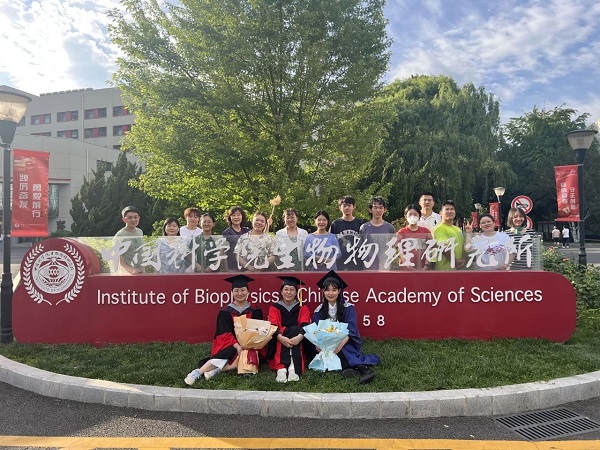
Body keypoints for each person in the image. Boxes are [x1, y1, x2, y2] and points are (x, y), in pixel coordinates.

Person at [184, 275, 263, 385]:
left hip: (249, 345)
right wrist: (237, 346)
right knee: (231, 352)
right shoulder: (225, 312)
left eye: (243, 290)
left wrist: (247, 344)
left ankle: (216, 370)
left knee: (248, 354)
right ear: (232, 292)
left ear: (248, 292)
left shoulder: (256, 310)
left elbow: (258, 330)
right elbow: (224, 333)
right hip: (230, 344)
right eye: (236, 291)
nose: (240, 293)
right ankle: (197, 372)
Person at [312, 270, 379, 383]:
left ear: (339, 291)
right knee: (328, 355)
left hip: (346, 342)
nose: (330, 293)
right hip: (327, 346)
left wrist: (339, 345)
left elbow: (351, 330)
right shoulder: (319, 311)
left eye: (334, 290)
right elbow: (316, 332)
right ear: (323, 291)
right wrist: (318, 345)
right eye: (327, 290)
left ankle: (364, 370)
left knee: (343, 349)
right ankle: (351, 368)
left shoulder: (348, 308)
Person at [267, 276, 312, 383]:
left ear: (296, 292)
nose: (288, 292)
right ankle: (281, 368)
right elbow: (273, 325)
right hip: (279, 339)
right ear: (281, 292)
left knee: (296, 330)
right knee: (283, 331)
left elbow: (305, 324)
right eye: (286, 289)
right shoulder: (274, 307)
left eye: (292, 289)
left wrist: (299, 337)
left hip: (298, 340)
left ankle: (293, 366)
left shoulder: (303, 307)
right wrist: (281, 338)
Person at [359, 196, 396, 270]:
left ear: (385, 210)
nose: (378, 210)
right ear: (370, 210)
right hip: (368, 266)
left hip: (385, 266)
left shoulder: (390, 228)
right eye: (375, 208)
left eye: (381, 207)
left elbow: (393, 248)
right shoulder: (364, 228)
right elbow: (360, 248)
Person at [329, 195, 364, 270]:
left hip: (356, 261)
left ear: (354, 207)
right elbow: (330, 243)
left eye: (349, 205)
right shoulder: (335, 224)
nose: (347, 208)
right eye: (344, 205)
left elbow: (364, 243)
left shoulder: (360, 223)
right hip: (340, 262)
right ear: (340, 207)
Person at [395, 204, 433, 270]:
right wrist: (409, 266)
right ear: (405, 216)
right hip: (406, 270)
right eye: (410, 214)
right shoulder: (401, 232)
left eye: (415, 214)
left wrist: (426, 266)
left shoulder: (425, 231)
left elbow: (429, 249)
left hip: (423, 268)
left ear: (419, 216)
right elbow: (400, 251)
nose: (412, 216)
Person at [433, 200, 464, 270]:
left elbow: (463, 247)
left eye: (452, 209)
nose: (450, 211)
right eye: (446, 209)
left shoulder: (458, 229)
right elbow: (444, 247)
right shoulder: (440, 229)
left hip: (458, 269)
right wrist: (455, 262)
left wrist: (463, 259)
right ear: (440, 213)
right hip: (445, 270)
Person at [114, 205, 144, 274]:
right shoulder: (120, 236)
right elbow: (117, 257)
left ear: (139, 218)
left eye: (135, 217)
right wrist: (131, 270)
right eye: (130, 217)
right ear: (124, 219)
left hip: (140, 270)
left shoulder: (140, 232)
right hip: (127, 273)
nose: (133, 220)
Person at [222, 206, 251, 272]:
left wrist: (267, 225)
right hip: (233, 268)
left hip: (247, 266)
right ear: (230, 217)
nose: (236, 217)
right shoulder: (226, 233)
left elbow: (259, 239)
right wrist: (226, 270)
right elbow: (224, 252)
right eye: (233, 215)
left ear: (242, 216)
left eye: (238, 215)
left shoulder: (247, 230)